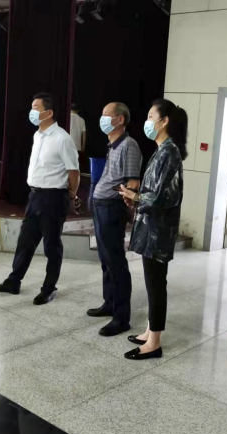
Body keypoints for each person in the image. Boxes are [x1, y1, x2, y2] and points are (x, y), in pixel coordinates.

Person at [0, 93, 80, 305]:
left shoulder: (62, 138)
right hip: (35, 195)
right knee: (25, 241)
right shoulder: (37, 135)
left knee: (51, 246)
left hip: (53, 197)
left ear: (48, 113)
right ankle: (14, 281)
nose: (31, 112)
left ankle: (49, 288)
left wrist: (71, 194)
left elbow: (74, 171)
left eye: (36, 108)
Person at [120, 99, 187, 361]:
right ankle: (150, 331)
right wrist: (136, 197)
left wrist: (136, 197)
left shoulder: (169, 152)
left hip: (159, 231)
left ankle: (154, 343)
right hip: (152, 228)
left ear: (164, 121)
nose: (147, 121)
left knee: (156, 284)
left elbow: (163, 197)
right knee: (152, 283)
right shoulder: (162, 150)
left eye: (151, 116)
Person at [86, 102, 143, 337]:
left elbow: (132, 182)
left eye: (106, 114)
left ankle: (121, 317)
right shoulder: (113, 144)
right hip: (102, 207)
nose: (102, 118)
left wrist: (126, 207)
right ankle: (109, 303)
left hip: (112, 208)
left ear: (119, 119)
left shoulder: (129, 145)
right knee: (105, 259)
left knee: (116, 262)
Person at [70, 103, 88, 173]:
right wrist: (83, 147)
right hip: (77, 146)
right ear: (78, 110)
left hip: (66, 145)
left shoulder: (66, 118)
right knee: (75, 166)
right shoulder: (81, 120)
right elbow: (84, 134)